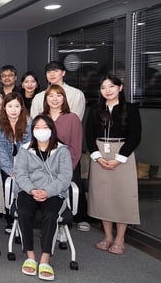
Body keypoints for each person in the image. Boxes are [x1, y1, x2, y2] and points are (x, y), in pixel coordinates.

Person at [86, 75, 141, 255]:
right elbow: (89, 135)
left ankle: (120, 238)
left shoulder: (130, 109)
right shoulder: (95, 109)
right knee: (102, 196)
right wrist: (97, 156)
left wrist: (119, 158)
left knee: (121, 195)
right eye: (103, 88)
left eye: (111, 86)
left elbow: (135, 136)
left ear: (120, 87)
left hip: (123, 153)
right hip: (100, 153)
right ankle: (108, 235)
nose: (107, 90)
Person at [14, 115, 72, 281]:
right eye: (37, 127)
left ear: (52, 130)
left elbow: (65, 178)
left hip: (53, 193)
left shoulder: (62, 150)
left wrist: (47, 191)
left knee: (51, 215)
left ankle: (45, 259)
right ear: (32, 131)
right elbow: (20, 174)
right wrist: (32, 190)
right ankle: (30, 257)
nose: (41, 131)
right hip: (29, 191)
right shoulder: (25, 150)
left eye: (45, 127)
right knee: (24, 212)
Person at [42, 85, 87, 230]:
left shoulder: (72, 118)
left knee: (63, 197)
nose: (54, 99)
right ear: (46, 99)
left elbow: (76, 147)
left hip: (67, 167)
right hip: (44, 167)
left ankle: (63, 225)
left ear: (64, 98)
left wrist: (65, 170)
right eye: (51, 95)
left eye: (58, 95)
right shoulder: (41, 118)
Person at [0, 92, 32, 231]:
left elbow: (28, 147)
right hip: (6, 162)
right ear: (4, 107)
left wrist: (20, 170)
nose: (13, 110)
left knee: (24, 190)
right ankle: (10, 219)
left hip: (25, 162)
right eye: (10, 106)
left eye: (17, 106)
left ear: (21, 107)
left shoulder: (28, 122)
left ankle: (23, 221)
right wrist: (9, 170)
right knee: (8, 188)